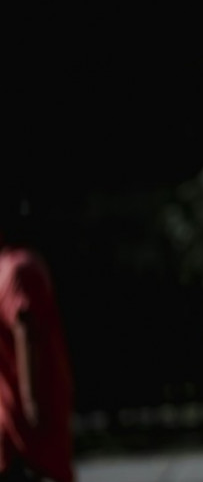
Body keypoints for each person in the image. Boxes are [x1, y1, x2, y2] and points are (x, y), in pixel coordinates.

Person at [0, 199, 74, 482]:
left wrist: (31, 404)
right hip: (22, 423)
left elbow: (24, 332)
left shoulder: (11, 270)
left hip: (17, 420)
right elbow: (25, 332)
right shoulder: (21, 268)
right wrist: (33, 405)